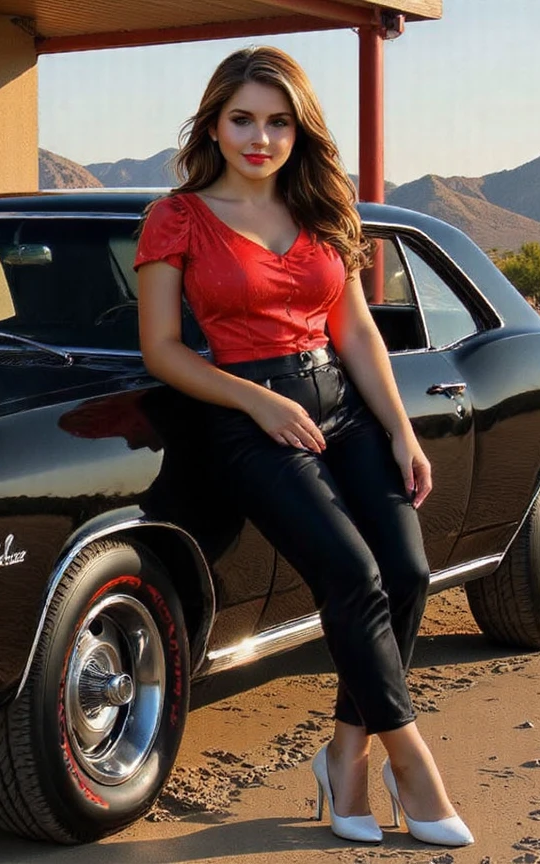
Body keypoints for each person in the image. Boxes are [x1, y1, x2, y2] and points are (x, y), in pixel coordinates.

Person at [134, 46, 474, 848]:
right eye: (243, 119)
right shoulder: (176, 217)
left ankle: (346, 754)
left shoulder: (322, 206)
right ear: (213, 126)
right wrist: (257, 399)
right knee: (351, 575)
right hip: (247, 415)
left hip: (344, 407)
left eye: (278, 122)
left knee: (406, 572)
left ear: (299, 130)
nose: (260, 138)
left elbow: (355, 331)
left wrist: (401, 430)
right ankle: (413, 762)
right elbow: (161, 350)